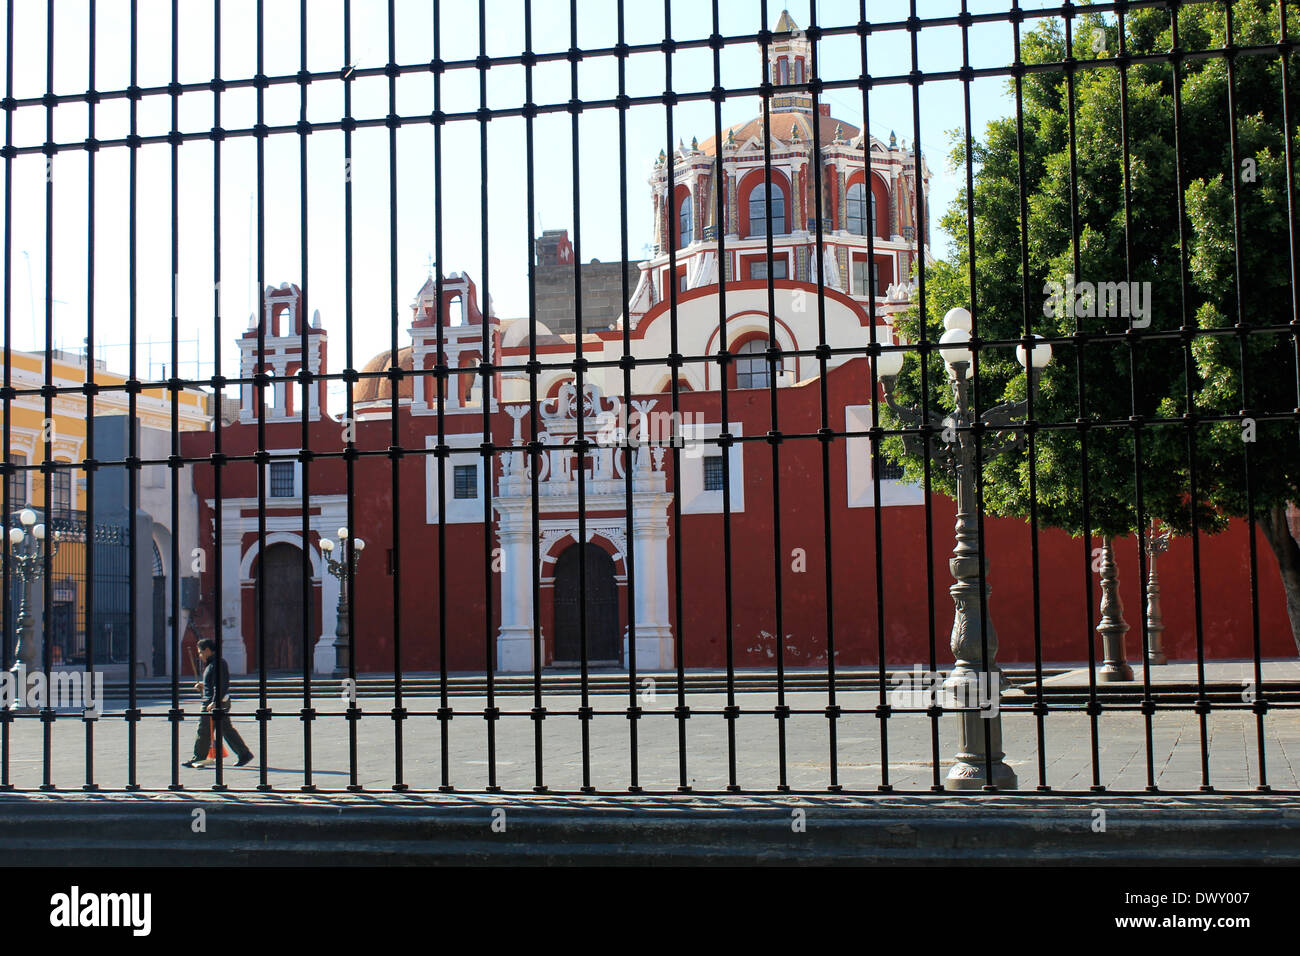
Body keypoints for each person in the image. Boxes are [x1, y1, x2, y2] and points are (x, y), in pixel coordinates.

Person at [182, 639, 254, 768]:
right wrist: (203, 686)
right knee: (226, 729)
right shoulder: (212, 664)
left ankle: (199, 758)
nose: (199, 655)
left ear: (207, 650)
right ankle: (244, 753)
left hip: (214, 703)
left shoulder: (217, 664)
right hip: (217, 701)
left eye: (200, 652)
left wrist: (215, 702)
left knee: (204, 730)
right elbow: (213, 683)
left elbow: (220, 685)